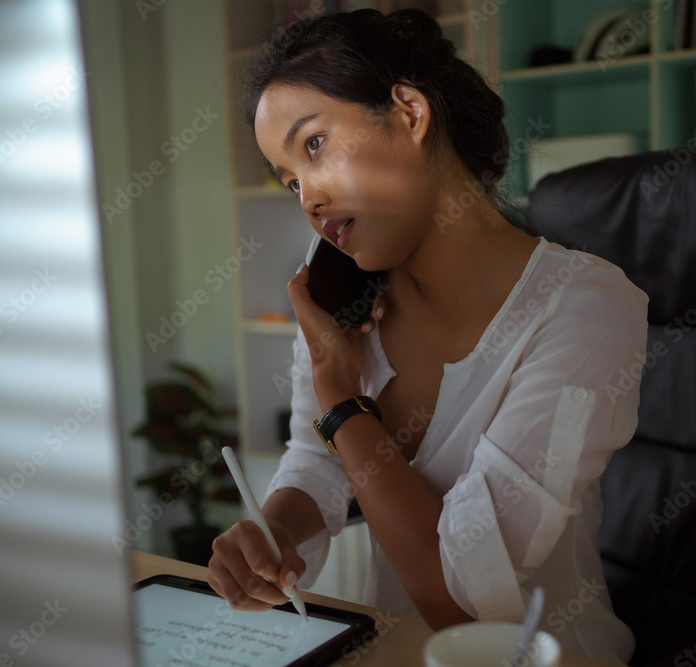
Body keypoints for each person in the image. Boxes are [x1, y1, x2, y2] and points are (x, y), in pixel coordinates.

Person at [207, 8, 648, 664]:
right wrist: (274, 531)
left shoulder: (586, 308)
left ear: (409, 112)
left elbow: (463, 599)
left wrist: (342, 399)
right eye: (290, 179)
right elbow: (318, 460)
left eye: (315, 145)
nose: (308, 199)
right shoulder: (346, 290)